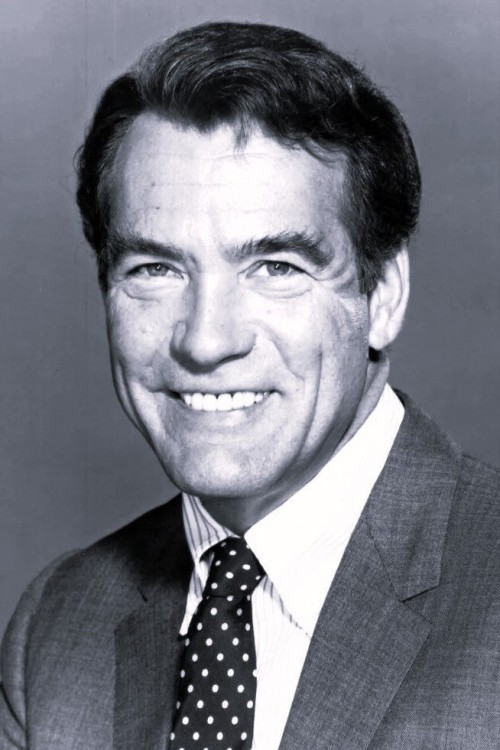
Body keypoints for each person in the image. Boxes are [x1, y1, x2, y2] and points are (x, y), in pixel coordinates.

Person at [1, 20, 499, 750]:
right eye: (155, 269)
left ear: (383, 295)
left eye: (275, 268)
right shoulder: (57, 627)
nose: (207, 340)